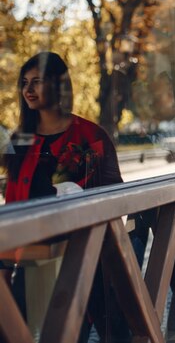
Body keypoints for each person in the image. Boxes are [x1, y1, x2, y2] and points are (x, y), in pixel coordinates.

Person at [0, 51, 123, 339]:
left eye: (37, 82)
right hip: (28, 261)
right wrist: (3, 266)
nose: (28, 90)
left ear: (58, 85)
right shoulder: (17, 141)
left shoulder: (92, 137)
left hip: (82, 262)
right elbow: (11, 205)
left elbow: (115, 198)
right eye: (24, 82)